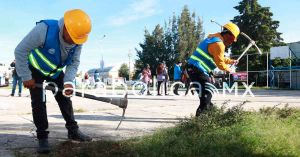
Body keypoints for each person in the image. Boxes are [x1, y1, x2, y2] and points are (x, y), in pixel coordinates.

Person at [14, 9, 92, 153]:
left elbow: (74, 63)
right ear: (65, 27)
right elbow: (20, 50)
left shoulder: (78, 39)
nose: (75, 42)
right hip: (35, 71)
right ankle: (42, 137)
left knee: (65, 99)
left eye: (78, 40)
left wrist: (68, 82)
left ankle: (73, 130)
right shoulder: (44, 30)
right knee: (38, 102)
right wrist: (26, 76)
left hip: (55, 73)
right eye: (73, 38)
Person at [187, 22, 239, 116]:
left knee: (206, 95)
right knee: (207, 92)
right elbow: (220, 63)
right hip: (197, 69)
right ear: (227, 34)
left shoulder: (214, 38)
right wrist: (230, 70)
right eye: (232, 39)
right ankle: (199, 121)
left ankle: (212, 115)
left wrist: (231, 61)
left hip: (195, 69)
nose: (231, 42)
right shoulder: (219, 44)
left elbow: (219, 58)